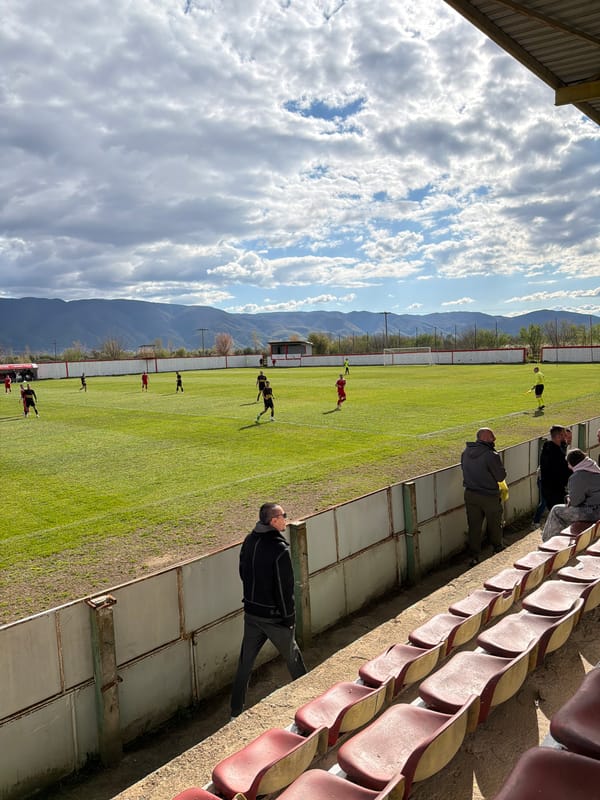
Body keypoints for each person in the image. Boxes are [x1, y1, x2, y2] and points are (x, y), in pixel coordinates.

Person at [230, 502, 307, 718]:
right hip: (273, 618)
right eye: (284, 515)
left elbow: (242, 572)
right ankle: (311, 705)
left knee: (245, 663)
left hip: (252, 613)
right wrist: (289, 618)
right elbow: (285, 590)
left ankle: (235, 711)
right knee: (293, 658)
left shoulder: (249, 541)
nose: (286, 518)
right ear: (273, 521)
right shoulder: (279, 550)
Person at [461, 428, 507, 566]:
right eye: (492, 436)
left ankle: (474, 555)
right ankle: (497, 549)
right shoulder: (490, 455)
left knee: (474, 526)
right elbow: (501, 476)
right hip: (489, 496)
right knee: (494, 524)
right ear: (486, 438)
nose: (495, 439)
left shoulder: (465, 452)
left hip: (470, 494)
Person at [542, 449, 600, 541]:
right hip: (596, 510)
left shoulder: (578, 476)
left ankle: (548, 541)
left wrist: (569, 498)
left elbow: (575, 502)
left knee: (556, 510)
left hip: (594, 513)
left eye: (568, 464)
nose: (568, 466)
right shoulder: (594, 468)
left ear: (572, 463)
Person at [539, 425, 570, 511]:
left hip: (550, 490)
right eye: (564, 435)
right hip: (555, 491)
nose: (566, 437)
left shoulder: (548, 449)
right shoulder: (555, 453)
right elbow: (561, 471)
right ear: (558, 436)